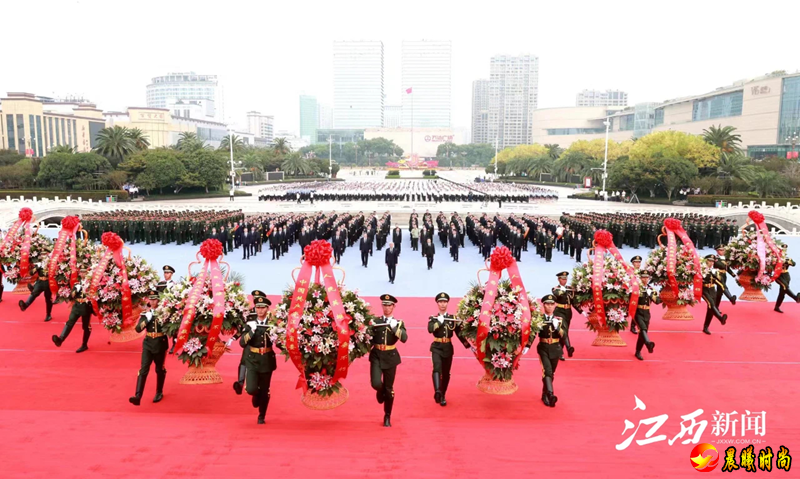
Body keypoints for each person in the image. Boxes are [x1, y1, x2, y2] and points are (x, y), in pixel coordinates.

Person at [370, 294, 408, 427]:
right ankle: (380, 391)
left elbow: (404, 338)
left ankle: (387, 415)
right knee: (375, 383)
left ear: (393, 306)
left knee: (389, 388)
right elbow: (369, 338)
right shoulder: (375, 321)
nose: (387, 307)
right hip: (376, 355)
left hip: (391, 356)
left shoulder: (398, 323)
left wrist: (394, 327)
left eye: (389, 305)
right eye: (384, 305)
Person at [427, 292, 471, 406]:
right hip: (436, 347)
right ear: (437, 303)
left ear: (447, 303)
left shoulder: (453, 318)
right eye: (440, 302)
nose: (442, 304)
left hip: (447, 348)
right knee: (437, 367)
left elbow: (459, 333)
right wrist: (438, 322)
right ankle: (437, 391)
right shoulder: (434, 318)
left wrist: (468, 345)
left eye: (444, 302)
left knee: (446, 373)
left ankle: (442, 394)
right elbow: (430, 329)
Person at [240, 296, 277, 424]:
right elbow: (242, 343)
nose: (260, 310)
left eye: (263, 308)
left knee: (265, 390)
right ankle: (255, 394)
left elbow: (279, 342)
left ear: (267, 308)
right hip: (252, 359)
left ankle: (262, 415)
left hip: (267, 360)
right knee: (251, 388)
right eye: (258, 307)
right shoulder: (250, 323)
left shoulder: (273, 323)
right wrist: (251, 331)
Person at [129, 290, 169, 405]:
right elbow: (138, 329)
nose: (152, 301)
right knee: (143, 369)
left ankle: (159, 391)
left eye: (155, 299)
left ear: (158, 300)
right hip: (148, 343)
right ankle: (138, 396)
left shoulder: (164, 313)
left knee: (159, 369)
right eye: (151, 299)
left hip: (160, 343)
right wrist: (147, 318)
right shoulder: (146, 315)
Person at [523, 294, 562, 407]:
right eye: (547, 304)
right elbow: (533, 334)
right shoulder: (539, 319)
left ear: (555, 305)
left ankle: (544, 393)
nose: (549, 306)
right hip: (543, 347)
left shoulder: (559, 319)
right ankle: (550, 394)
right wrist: (527, 346)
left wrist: (557, 327)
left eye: (551, 304)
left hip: (556, 348)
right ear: (543, 305)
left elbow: (564, 335)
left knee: (551, 374)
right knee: (547, 371)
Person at [232, 290, 267, 395]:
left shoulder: (268, 314)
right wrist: (234, 338)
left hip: (261, 342)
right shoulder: (249, 313)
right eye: (255, 300)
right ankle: (240, 383)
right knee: (243, 362)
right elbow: (243, 328)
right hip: (249, 340)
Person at [51, 283, 93, 353]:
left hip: (86, 307)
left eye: (84, 272)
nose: (83, 274)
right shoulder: (77, 285)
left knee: (86, 327)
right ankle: (60, 339)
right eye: (82, 272)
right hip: (76, 307)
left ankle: (84, 344)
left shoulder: (91, 283)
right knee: (70, 322)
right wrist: (73, 293)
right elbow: (70, 298)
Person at [634, 272, 660, 361]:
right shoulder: (636, 288)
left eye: (646, 278)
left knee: (642, 333)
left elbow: (657, 301)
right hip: (637, 312)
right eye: (643, 278)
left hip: (647, 313)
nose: (645, 279)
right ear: (640, 278)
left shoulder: (650, 289)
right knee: (643, 329)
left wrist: (652, 295)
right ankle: (648, 343)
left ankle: (638, 351)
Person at [552, 272, 576, 360]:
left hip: (568, 312)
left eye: (565, 279)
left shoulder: (570, 289)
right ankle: (569, 347)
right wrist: (564, 291)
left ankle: (559, 353)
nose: (564, 281)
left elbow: (574, 302)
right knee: (563, 329)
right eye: (562, 279)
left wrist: (582, 312)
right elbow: (557, 294)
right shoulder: (556, 288)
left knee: (564, 332)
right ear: (559, 279)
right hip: (559, 311)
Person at [702, 255, 728, 335]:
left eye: (712, 261)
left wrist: (724, 288)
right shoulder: (702, 269)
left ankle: (706, 327)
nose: (711, 263)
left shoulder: (714, 271)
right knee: (711, 304)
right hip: (704, 290)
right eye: (709, 261)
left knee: (710, 309)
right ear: (705, 261)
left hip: (712, 290)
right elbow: (704, 278)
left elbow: (718, 281)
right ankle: (720, 318)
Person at [774, 248, 798, 313]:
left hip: (786, 275)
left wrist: (790, 262)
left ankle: (777, 306)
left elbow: (794, 264)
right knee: (785, 286)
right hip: (778, 275)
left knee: (782, 292)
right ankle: (796, 298)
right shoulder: (774, 258)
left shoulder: (787, 259)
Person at [630, 256, 642, 334]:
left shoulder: (642, 272)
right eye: (636, 262)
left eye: (639, 262)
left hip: (640, 293)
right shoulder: (630, 271)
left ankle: (635, 325)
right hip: (632, 293)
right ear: (633, 263)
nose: (638, 264)